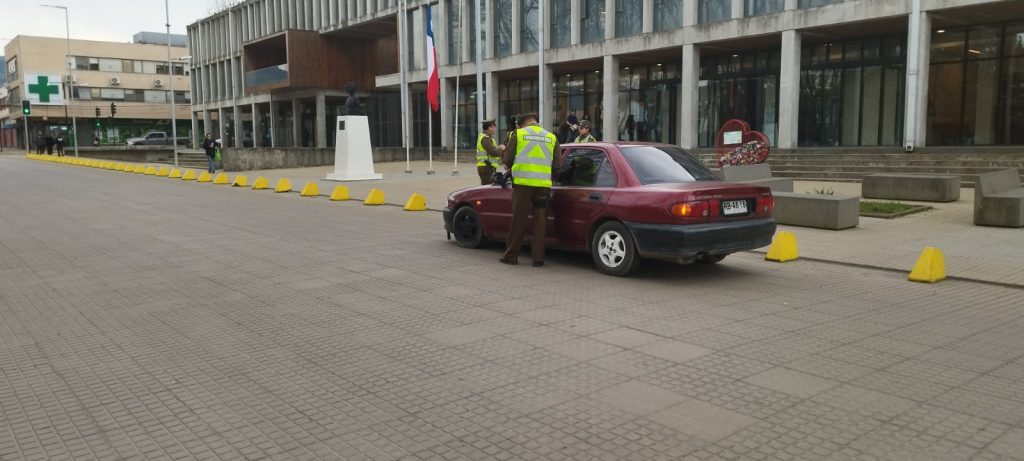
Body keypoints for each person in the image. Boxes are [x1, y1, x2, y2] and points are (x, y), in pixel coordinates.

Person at [500, 113, 561, 267]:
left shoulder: (519, 134)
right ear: (536, 122)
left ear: (521, 124)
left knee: (518, 220)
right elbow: (557, 165)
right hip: (543, 186)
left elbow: (507, 160)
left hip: (522, 185)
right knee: (540, 222)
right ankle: (538, 259)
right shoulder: (551, 137)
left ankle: (511, 256)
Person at [476, 120, 502, 185]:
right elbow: (493, 152)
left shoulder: (487, 137)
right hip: (487, 167)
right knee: (488, 188)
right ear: (489, 128)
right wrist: (501, 149)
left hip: (487, 167)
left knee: (488, 187)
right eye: (494, 127)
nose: (495, 129)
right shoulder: (485, 138)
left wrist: (497, 149)